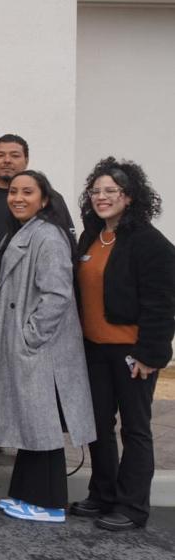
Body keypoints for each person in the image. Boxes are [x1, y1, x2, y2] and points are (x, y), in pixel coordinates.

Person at [0, 170, 94, 523]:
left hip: (39, 348)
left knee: (40, 425)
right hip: (27, 345)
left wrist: (30, 336)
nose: (17, 197)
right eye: (13, 191)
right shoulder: (26, 232)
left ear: (44, 199)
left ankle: (48, 504)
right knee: (31, 423)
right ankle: (27, 496)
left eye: (27, 192)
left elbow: (57, 295)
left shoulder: (47, 237)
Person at [70, 158, 174, 531]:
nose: (102, 197)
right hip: (94, 349)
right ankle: (103, 494)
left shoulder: (150, 243)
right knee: (97, 424)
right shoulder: (91, 237)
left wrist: (150, 355)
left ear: (129, 197)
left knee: (135, 429)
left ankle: (132, 507)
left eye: (110, 191)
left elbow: (161, 304)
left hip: (132, 352)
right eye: (96, 191)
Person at [0, 134, 75, 247]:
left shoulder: (48, 197)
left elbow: (68, 241)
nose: (7, 160)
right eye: (0, 155)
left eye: (15, 155)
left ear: (26, 161)